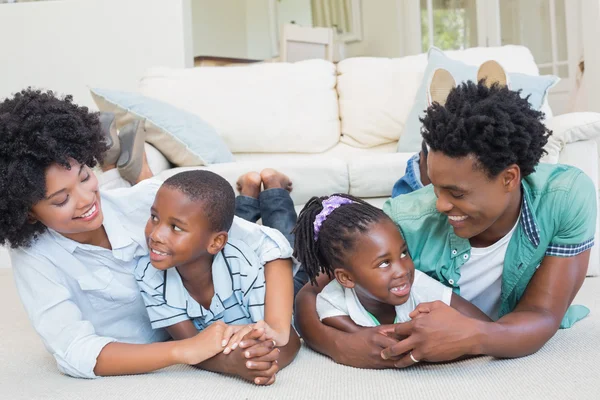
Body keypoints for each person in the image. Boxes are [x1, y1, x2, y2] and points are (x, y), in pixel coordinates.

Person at [295, 64, 597, 369]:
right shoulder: (403, 219)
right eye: (438, 189)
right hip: (420, 203)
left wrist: (475, 336)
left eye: (457, 193)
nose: (441, 204)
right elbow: (310, 291)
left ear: (509, 178)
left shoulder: (565, 197)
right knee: (420, 190)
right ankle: (430, 164)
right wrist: (339, 346)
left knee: (430, 186)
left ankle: (463, 125)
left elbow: (543, 315)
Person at [0, 89, 285, 384]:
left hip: (195, 266)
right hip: (174, 337)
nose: (86, 199)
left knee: (221, 223)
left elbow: (268, 244)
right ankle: (129, 171)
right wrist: (186, 351)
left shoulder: (144, 202)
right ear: (28, 212)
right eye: (61, 200)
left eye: (85, 176)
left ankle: (128, 173)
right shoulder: (35, 258)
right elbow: (75, 350)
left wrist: (277, 330)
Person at [134, 170, 300, 385]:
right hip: (214, 247)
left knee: (286, 234)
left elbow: (283, 338)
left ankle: (275, 186)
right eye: (154, 218)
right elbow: (190, 346)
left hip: (269, 262)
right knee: (212, 223)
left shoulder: (246, 265)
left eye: (175, 227)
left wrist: (263, 361)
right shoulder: (149, 275)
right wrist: (235, 364)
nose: (155, 235)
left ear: (216, 243)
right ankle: (248, 190)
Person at [292, 194, 489, 337]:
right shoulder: (332, 301)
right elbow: (369, 341)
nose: (403, 270)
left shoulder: (419, 283)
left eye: (403, 253)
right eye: (384, 263)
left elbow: (484, 324)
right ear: (346, 278)